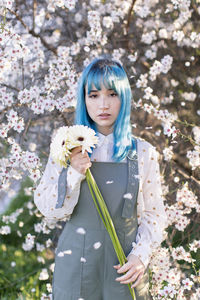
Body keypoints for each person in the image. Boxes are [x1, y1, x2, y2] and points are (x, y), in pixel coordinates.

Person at [34, 57, 167, 300]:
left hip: (125, 268)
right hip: (75, 266)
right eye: (94, 95)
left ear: (124, 97)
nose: (103, 104)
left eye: (112, 94)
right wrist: (73, 173)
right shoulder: (67, 148)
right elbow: (48, 208)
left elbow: (155, 215)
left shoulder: (144, 152)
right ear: (84, 100)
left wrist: (141, 256)